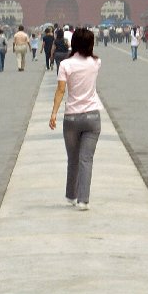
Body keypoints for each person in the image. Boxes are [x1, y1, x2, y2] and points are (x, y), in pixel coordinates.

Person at [49, 28, 102, 211]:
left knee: (73, 159)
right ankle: (83, 200)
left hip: (71, 117)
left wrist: (54, 113)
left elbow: (61, 91)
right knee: (86, 159)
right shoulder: (96, 62)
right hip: (92, 117)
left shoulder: (65, 65)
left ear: (74, 43)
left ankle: (71, 195)